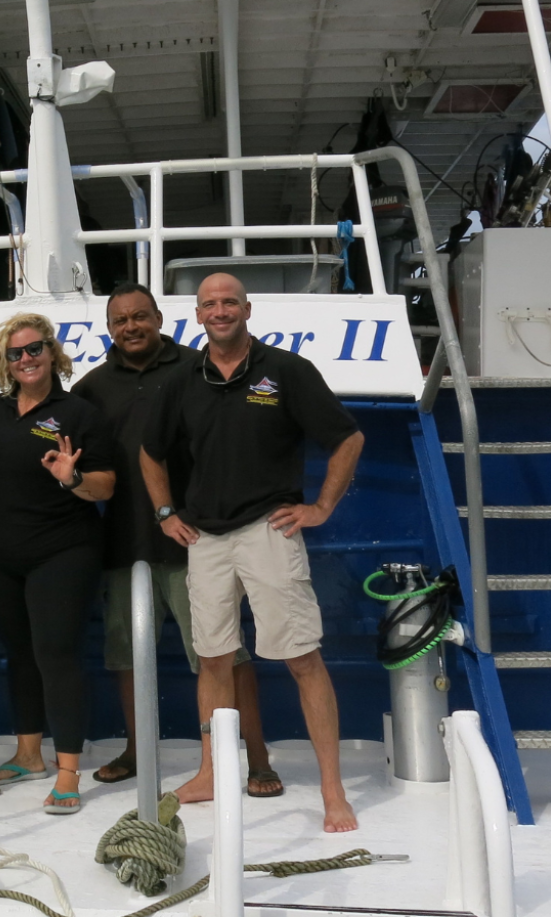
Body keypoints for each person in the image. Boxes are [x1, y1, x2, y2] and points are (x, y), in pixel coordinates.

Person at [141, 272, 365, 833]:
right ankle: (212, 772)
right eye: (209, 304)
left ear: (247, 309)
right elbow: (149, 453)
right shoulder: (181, 380)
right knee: (213, 659)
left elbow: (348, 438)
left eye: (229, 303)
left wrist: (321, 507)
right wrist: (166, 513)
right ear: (197, 316)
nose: (220, 311)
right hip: (206, 540)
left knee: (301, 658)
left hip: (270, 531)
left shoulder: (285, 371)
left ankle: (333, 792)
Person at [71, 283, 278, 798]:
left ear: (160, 318)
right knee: (125, 658)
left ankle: (256, 758)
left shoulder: (197, 368)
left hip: (198, 539)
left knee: (225, 656)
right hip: (123, 542)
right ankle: (138, 750)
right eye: (120, 320)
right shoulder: (91, 389)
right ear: (109, 327)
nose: (131, 327)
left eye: (140, 316)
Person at [0, 313, 115, 814]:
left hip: (62, 552)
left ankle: (67, 772)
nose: (26, 359)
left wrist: (71, 477)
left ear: (53, 353)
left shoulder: (78, 413)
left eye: (35, 349)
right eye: (16, 353)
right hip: (1, 555)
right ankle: (28, 753)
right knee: (18, 651)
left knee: (56, 654)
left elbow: (105, 484)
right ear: (5, 362)